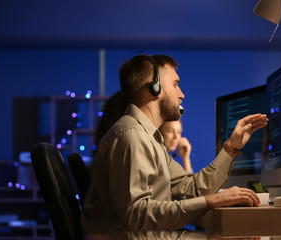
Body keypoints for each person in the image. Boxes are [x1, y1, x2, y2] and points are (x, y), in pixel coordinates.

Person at [81, 54, 268, 233]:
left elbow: (193, 188)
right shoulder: (131, 136)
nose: (182, 94)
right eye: (175, 84)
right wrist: (211, 202)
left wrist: (231, 147)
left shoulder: (149, 138)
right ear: (154, 89)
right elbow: (137, 216)